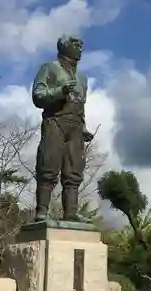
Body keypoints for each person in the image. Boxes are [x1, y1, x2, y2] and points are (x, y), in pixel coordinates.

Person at [31, 35, 93, 222]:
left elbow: (80, 104)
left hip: (75, 127)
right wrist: (60, 91)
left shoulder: (82, 77)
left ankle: (71, 213)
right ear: (64, 46)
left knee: (74, 172)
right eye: (76, 44)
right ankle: (42, 211)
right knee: (48, 165)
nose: (80, 48)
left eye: (81, 45)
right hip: (55, 121)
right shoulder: (49, 68)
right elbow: (38, 96)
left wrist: (82, 127)